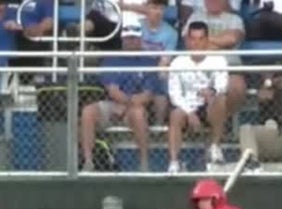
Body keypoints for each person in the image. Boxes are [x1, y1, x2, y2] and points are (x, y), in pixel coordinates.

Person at [80, 24, 161, 172]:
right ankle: (88, 161)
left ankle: (144, 163)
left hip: (135, 107)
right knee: (88, 112)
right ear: (122, 39)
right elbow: (113, 91)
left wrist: (127, 105)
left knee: (138, 113)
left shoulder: (149, 61)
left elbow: (147, 94)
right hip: (113, 104)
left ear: (140, 39)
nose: (131, 42)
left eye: (135, 38)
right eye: (128, 38)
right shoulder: (111, 60)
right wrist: (125, 103)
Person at [167, 21, 230, 173]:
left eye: (201, 38)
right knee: (175, 115)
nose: (196, 43)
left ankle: (215, 147)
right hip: (185, 106)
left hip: (208, 105)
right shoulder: (177, 62)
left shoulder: (218, 60)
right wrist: (189, 112)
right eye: (193, 39)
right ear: (187, 40)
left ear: (207, 40)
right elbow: (174, 93)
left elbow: (223, 84)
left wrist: (212, 91)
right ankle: (174, 163)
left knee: (220, 100)